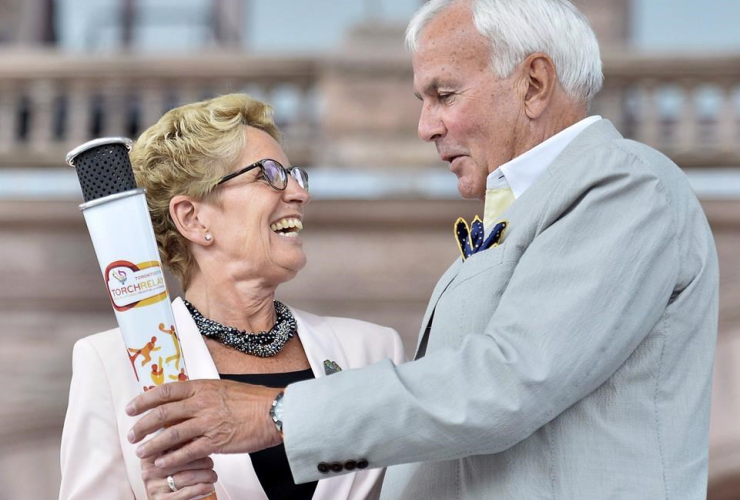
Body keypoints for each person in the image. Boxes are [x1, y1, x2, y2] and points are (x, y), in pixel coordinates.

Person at [125, 1, 720, 499]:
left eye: (444, 94)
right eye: (423, 100)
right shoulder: (525, 208)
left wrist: (272, 414)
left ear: (533, 83)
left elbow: (507, 382)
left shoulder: (624, 184)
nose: (426, 125)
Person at [59, 93, 406, 500]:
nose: (298, 192)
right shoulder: (110, 365)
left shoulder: (372, 352)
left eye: (295, 175)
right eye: (269, 174)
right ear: (193, 217)